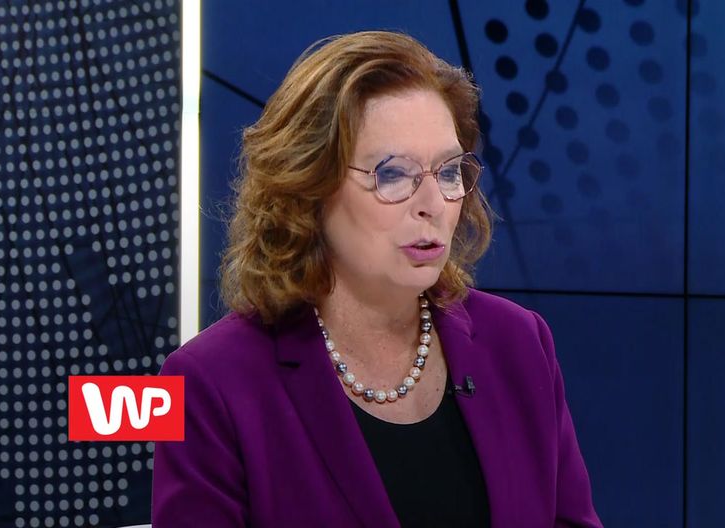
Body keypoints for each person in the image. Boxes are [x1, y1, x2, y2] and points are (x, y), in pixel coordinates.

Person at [151, 30, 601, 527]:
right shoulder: (211, 384)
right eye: (393, 173)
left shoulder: (519, 344)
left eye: (448, 172)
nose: (433, 204)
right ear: (308, 188)